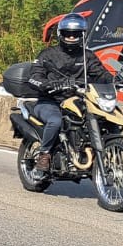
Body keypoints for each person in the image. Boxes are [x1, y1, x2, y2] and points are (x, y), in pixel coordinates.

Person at [27, 14, 113, 171]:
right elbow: (34, 77)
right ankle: (44, 154)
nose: (71, 37)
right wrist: (47, 84)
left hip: (79, 100)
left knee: (106, 117)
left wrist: (116, 80)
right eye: (68, 33)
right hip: (51, 101)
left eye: (76, 34)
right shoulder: (47, 55)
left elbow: (101, 73)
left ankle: (105, 151)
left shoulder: (87, 56)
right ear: (61, 34)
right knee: (55, 121)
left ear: (82, 35)